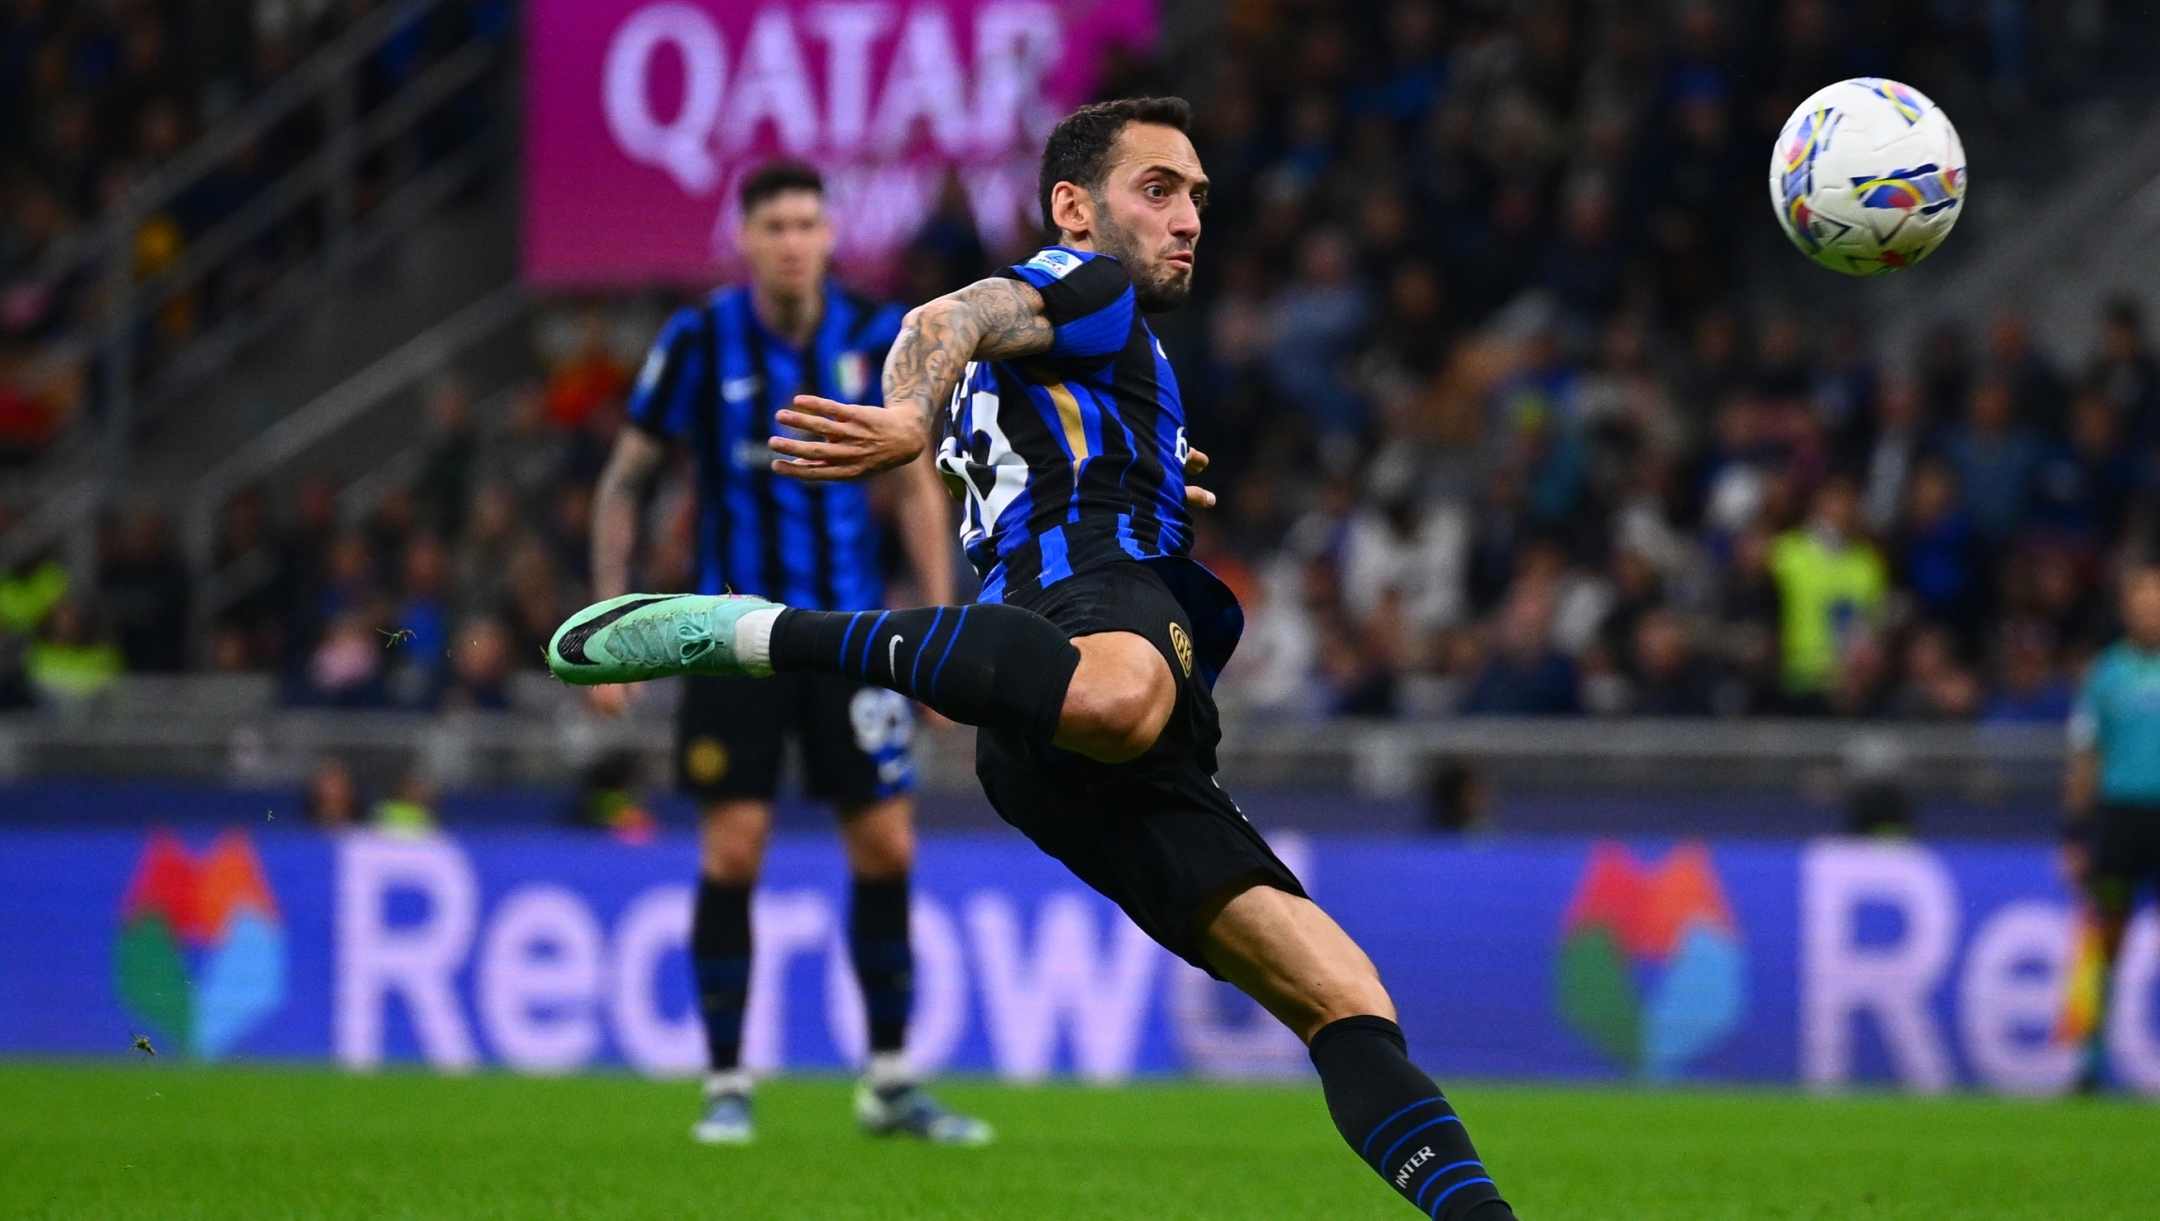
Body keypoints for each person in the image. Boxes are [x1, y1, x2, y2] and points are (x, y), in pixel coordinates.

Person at [552, 98, 1518, 1220]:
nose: (1188, 216)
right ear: (1075, 205)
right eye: (1158, 189)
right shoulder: (1088, 286)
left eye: (1199, 195)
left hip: (1060, 718)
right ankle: (756, 632)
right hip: (1089, 633)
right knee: (1115, 700)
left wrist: (1152, 466)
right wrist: (907, 419)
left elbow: (1021, 421)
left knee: (1348, 999)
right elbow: (944, 316)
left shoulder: (1103, 351)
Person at [584, 161, 979, 1146]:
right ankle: (725, 1082)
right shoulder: (696, 339)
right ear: (747, 239)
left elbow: (920, 491)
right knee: (734, 847)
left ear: (831, 235)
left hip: (849, 641)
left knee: (887, 844)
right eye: (777, 224)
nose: (796, 239)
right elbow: (624, 483)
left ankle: (888, 1082)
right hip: (731, 641)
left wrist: (936, 630)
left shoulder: (876, 337)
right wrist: (611, 621)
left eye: (810, 221)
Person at [2062, 565, 2160, 1092]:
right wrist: (2073, 834)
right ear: (2127, 609)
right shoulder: (2106, 675)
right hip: (2121, 821)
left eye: (2157, 601)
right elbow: (2085, 757)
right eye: (2141, 601)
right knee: (2105, 944)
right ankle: (2090, 1063)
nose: (2149, 611)